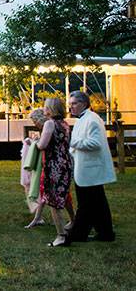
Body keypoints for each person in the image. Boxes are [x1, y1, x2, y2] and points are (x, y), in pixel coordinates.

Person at [67, 90, 116, 243]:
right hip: (85, 167)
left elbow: (95, 144)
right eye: (70, 104)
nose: (71, 107)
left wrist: (72, 143)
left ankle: (79, 234)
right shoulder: (83, 119)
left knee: (87, 204)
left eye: (74, 104)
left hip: (90, 168)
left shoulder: (92, 120)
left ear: (84, 103)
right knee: (97, 203)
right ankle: (105, 232)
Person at [35, 97, 76, 247]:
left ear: (51, 109)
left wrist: (35, 142)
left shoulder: (50, 123)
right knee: (63, 196)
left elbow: (42, 145)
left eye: (45, 107)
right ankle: (73, 222)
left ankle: (61, 236)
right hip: (65, 163)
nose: (43, 109)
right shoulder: (64, 124)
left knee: (53, 200)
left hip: (54, 166)